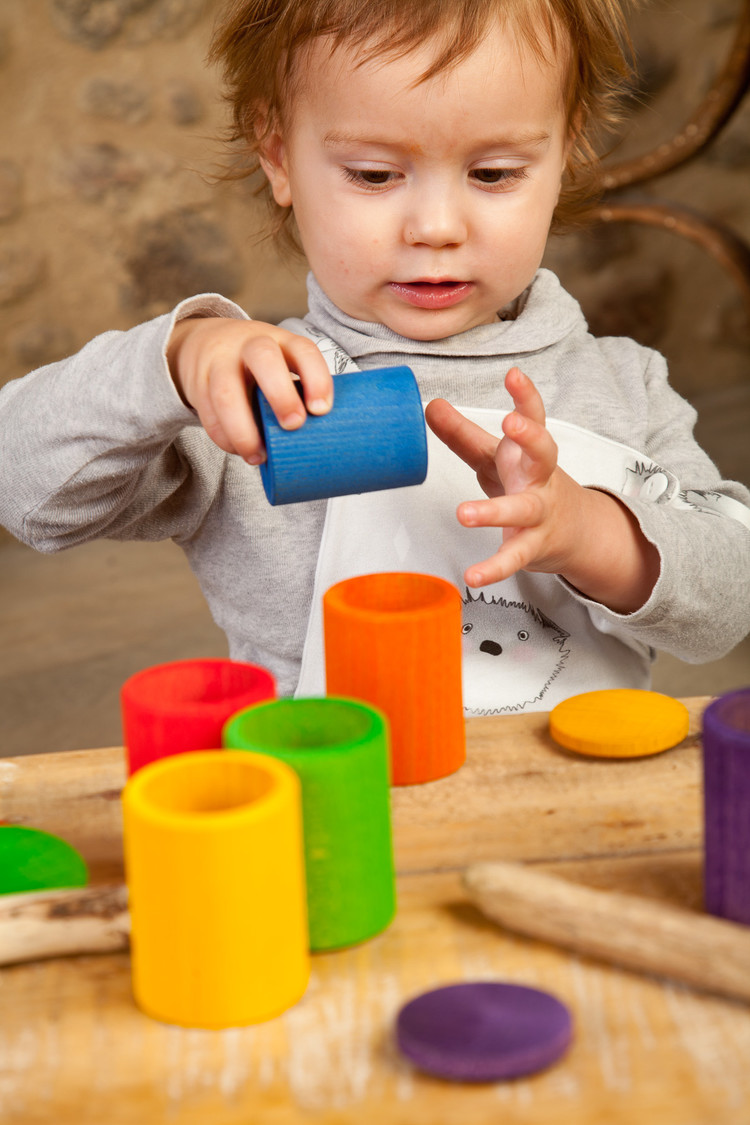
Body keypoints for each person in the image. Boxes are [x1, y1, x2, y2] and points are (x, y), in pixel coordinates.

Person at [1, 0, 749, 716]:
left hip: (572, 814)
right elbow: (23, 490)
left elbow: (729, 601)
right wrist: (174, 360)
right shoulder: (246, 396)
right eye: (373, 174)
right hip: (329, 813)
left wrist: (594, 534)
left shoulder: (622, 384)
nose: (435, 226)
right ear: (277, 156)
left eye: (492, 174)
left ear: (567, 153)